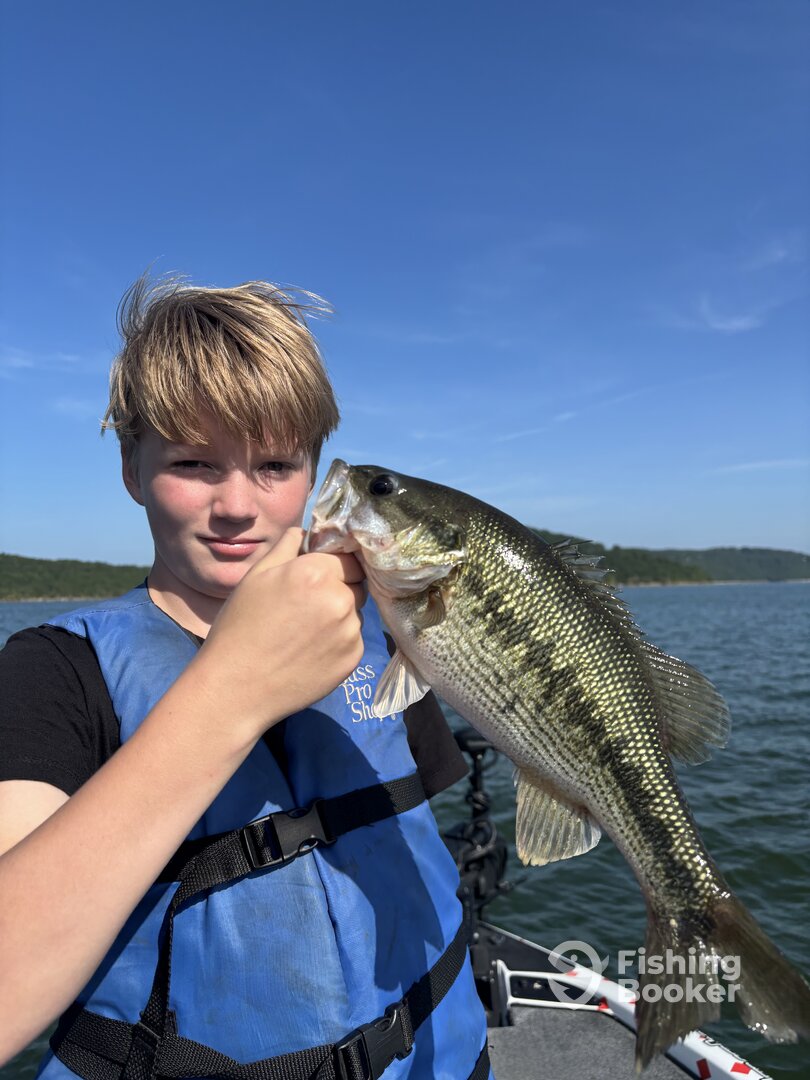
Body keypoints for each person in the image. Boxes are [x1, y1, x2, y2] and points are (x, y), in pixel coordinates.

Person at [0, 276, 492, 1079]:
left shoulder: (389, 637)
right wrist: (230, 692)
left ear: (314, 471)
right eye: (194, 463)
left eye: (275, 464)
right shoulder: (54, 671)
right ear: (132, 469)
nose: (237, 505)